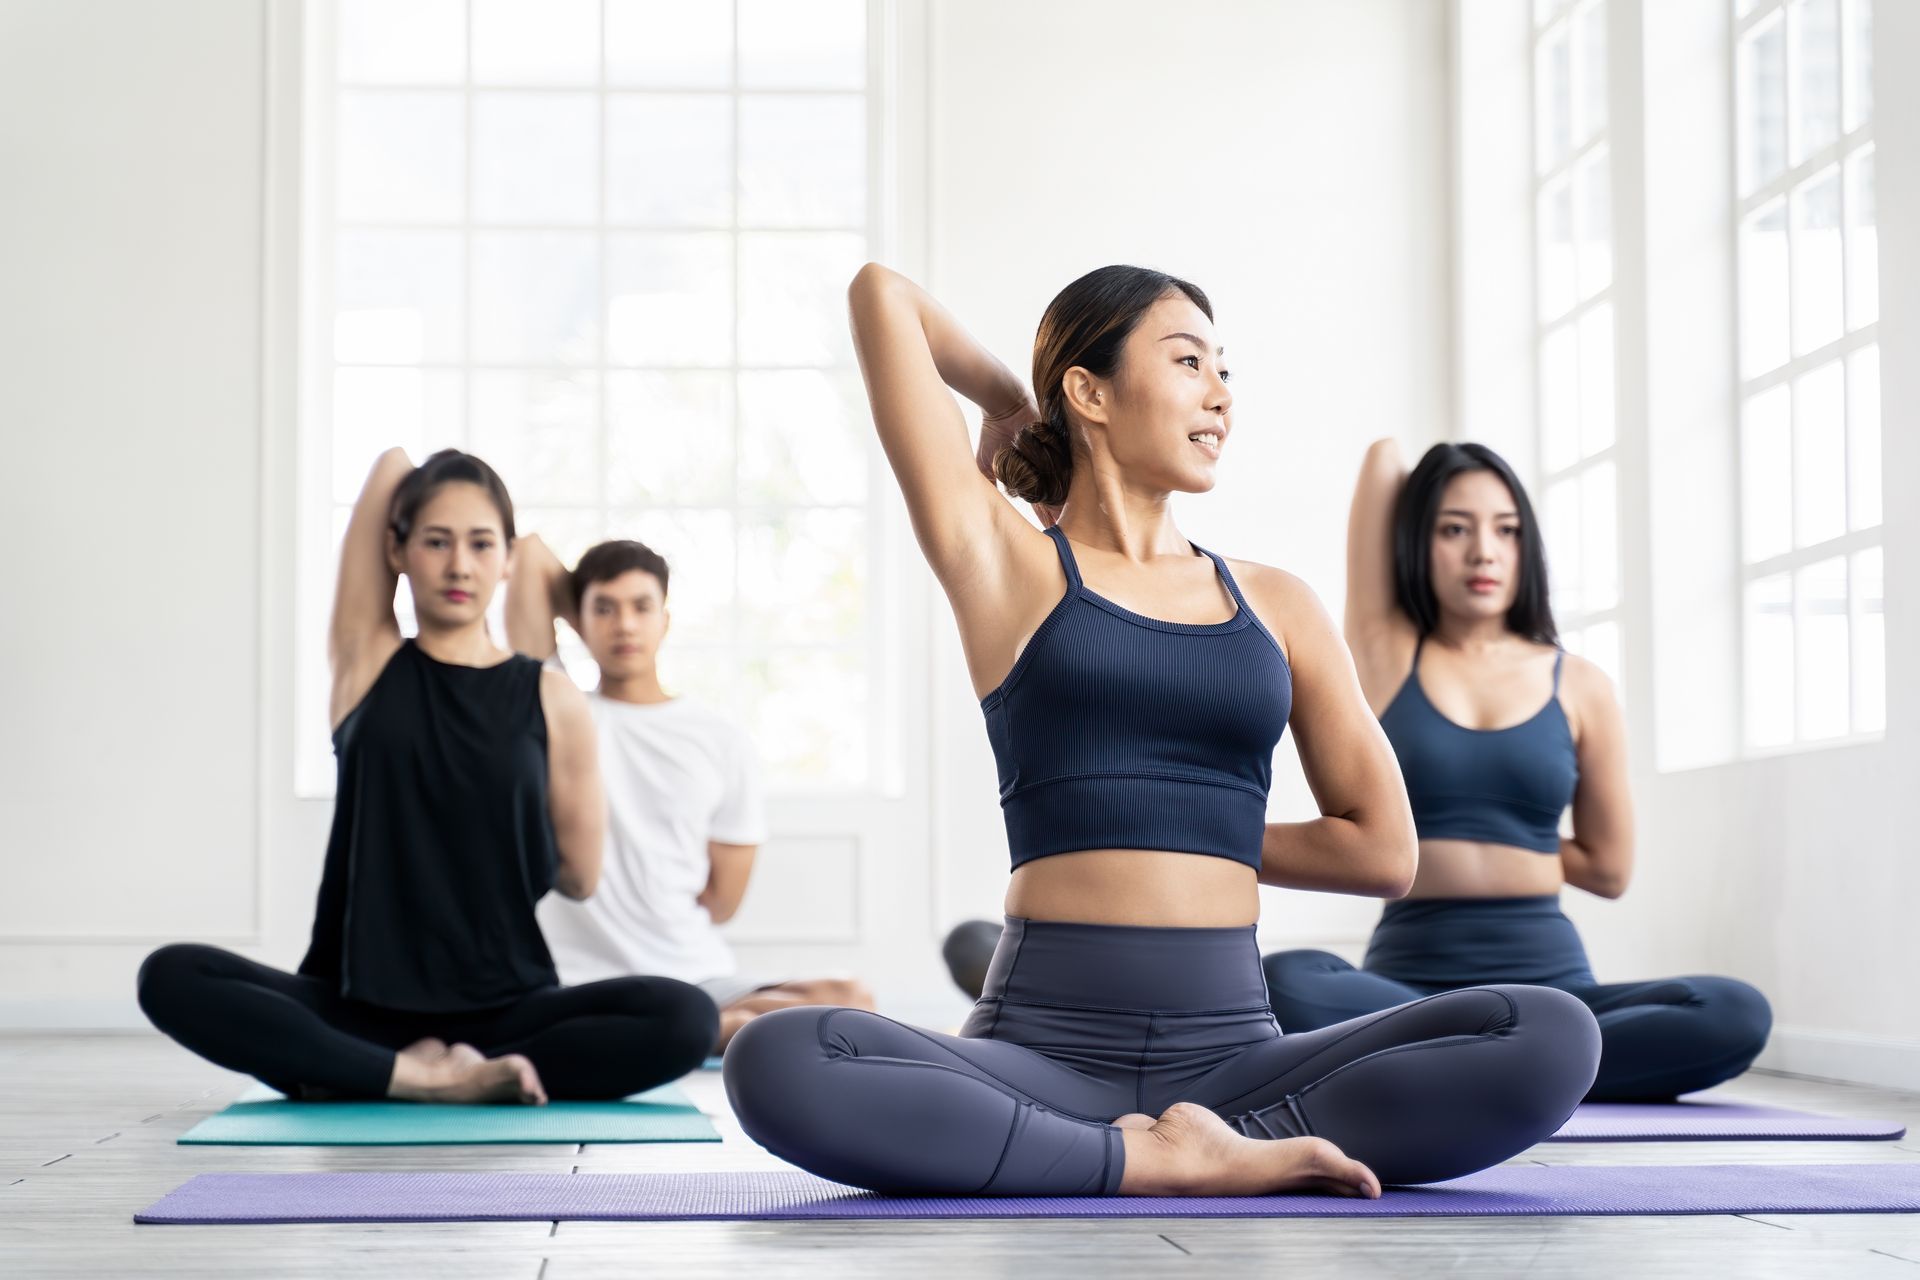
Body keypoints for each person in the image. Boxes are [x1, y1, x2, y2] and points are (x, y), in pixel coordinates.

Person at [719, 264, 1601, 1198]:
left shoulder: (1275, 603)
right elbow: (881, 297)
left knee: (1549, 1032)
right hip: (1040, 1054)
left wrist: (1175, 834)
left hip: (1236, 1062)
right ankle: (1158, 1158)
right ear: (1090, 391)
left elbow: (1383, 852)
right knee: (779, 1058)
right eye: (1188, 362)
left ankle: (1121, 1152)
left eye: (1226, 371)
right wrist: (1012, 406)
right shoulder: (1009, 566)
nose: (1220, 396)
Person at [137, 448, 717, 1103]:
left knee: (685, 1018)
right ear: (398, 551)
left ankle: (375, 1071)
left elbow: (580, 879)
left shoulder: (553, 700)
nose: (459, 565)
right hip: (357, 1004)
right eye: (436, 542)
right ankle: (422, 1078)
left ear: (506, 560)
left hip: (505, 1008)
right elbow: (390, 466)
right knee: (171, 975)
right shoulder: (367, 664)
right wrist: (446, 475)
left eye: (480, 543)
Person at [1259, 439, 1771, 1101]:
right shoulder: (1385, 654)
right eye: (1454, 529)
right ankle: (1539, 1064)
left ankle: (1481, 1059)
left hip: (1555, 986)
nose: (1484, 552)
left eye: (1506, 530)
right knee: (1290, 979)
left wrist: (1496, 850)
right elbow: (1383, 462)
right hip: (1408, 988)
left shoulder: (1581, 685)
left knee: (1734, 1010)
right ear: (1417, 541)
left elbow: (1609, 869)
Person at [506, 534, 875, 1052]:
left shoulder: (719, 739)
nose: (626, 624)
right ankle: (707, 1031)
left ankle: (703, 1028)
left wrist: (596, 613)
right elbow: (526, 554)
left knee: (851, 998)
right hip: (579, 978)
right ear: (577, 620)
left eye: (641, 607)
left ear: (666, 620)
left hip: (695, 976)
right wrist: (583, 619)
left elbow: (721, 902)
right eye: (605, 609)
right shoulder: (560, 708)